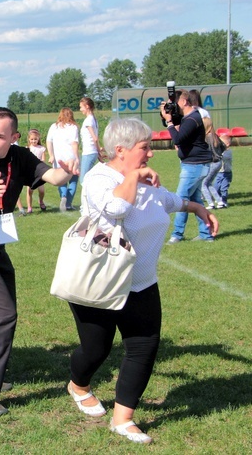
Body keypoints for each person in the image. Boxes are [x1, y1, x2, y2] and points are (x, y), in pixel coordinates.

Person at [66, 117, 218, 444]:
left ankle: (123, 419)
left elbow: (167, 201)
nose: (150, 153)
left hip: (142, 284)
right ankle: (78, 384)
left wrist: (197, 208)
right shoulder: (98, 178)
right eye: (144, 147)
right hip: (99, 284)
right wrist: (134, 176)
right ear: (120, 150)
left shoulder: (146, 181)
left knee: (143, 348)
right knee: (96, 350)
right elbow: (117, 207)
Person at [0, 107, 78, 416]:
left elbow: (53, 177)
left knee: (4, 312)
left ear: (14, 138)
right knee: (2, 314)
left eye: (0, 137)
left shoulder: (20, 157)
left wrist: (66, 171)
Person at [163, 90, 215, 243]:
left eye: (176, 102)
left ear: (184, 101)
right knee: (196, 201)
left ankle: (177, 235)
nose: (175, 106)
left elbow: (178, 138)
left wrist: (170, 122)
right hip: (194, 164)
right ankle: (206, 235)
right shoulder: (189, 117)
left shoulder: (192, 118)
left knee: (181, 200)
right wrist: (166, 115)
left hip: (194, 165)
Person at [188, 90, 226, 210]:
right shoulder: (214, 136)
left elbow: (208, 151)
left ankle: (209, 203)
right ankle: (220, 201)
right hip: (218, 161)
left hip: (212, 162)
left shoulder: (207, 138)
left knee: (203, 183)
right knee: (209, 183)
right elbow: (223, 146)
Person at [47, 107, 80, 211]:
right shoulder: (73, 127)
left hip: (59, 159)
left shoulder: (54, 126)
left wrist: (51, 155)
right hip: (71, 158)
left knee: (61, 181)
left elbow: (49, 141)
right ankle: (68, 204)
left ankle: (63, 197)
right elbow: (74, 143)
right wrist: (77, 157)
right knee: (73, 181)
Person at [26, 129, 47, 213]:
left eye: (35, 139)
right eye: (32, 139)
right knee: (30, 191)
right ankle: (29, 207)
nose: (34, 141)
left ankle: (41, 201)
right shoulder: (27, 149)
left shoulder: (41, 148)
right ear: (29, 139)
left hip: (40, 172)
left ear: (38, 139)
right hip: (30, 172)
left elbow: (43, 159)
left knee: (41, 190)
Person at [79, 97, 100, 178]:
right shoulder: (93, 119)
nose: (80, 109)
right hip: (91, 152)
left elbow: (95, 138)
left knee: (83, 180)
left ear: (87, 106)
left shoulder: (88, 120)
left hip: (89, 152)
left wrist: (99, 153)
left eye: (81, 107)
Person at [214, 134, 232, 206]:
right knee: (216, 188)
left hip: (226, 174)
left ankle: (224, 201)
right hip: (219, 173)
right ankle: (218, 199)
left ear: (227, 144)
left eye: (222, 143)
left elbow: (223, 157)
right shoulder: (220, 151)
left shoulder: (228, 152)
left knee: (224, 188)